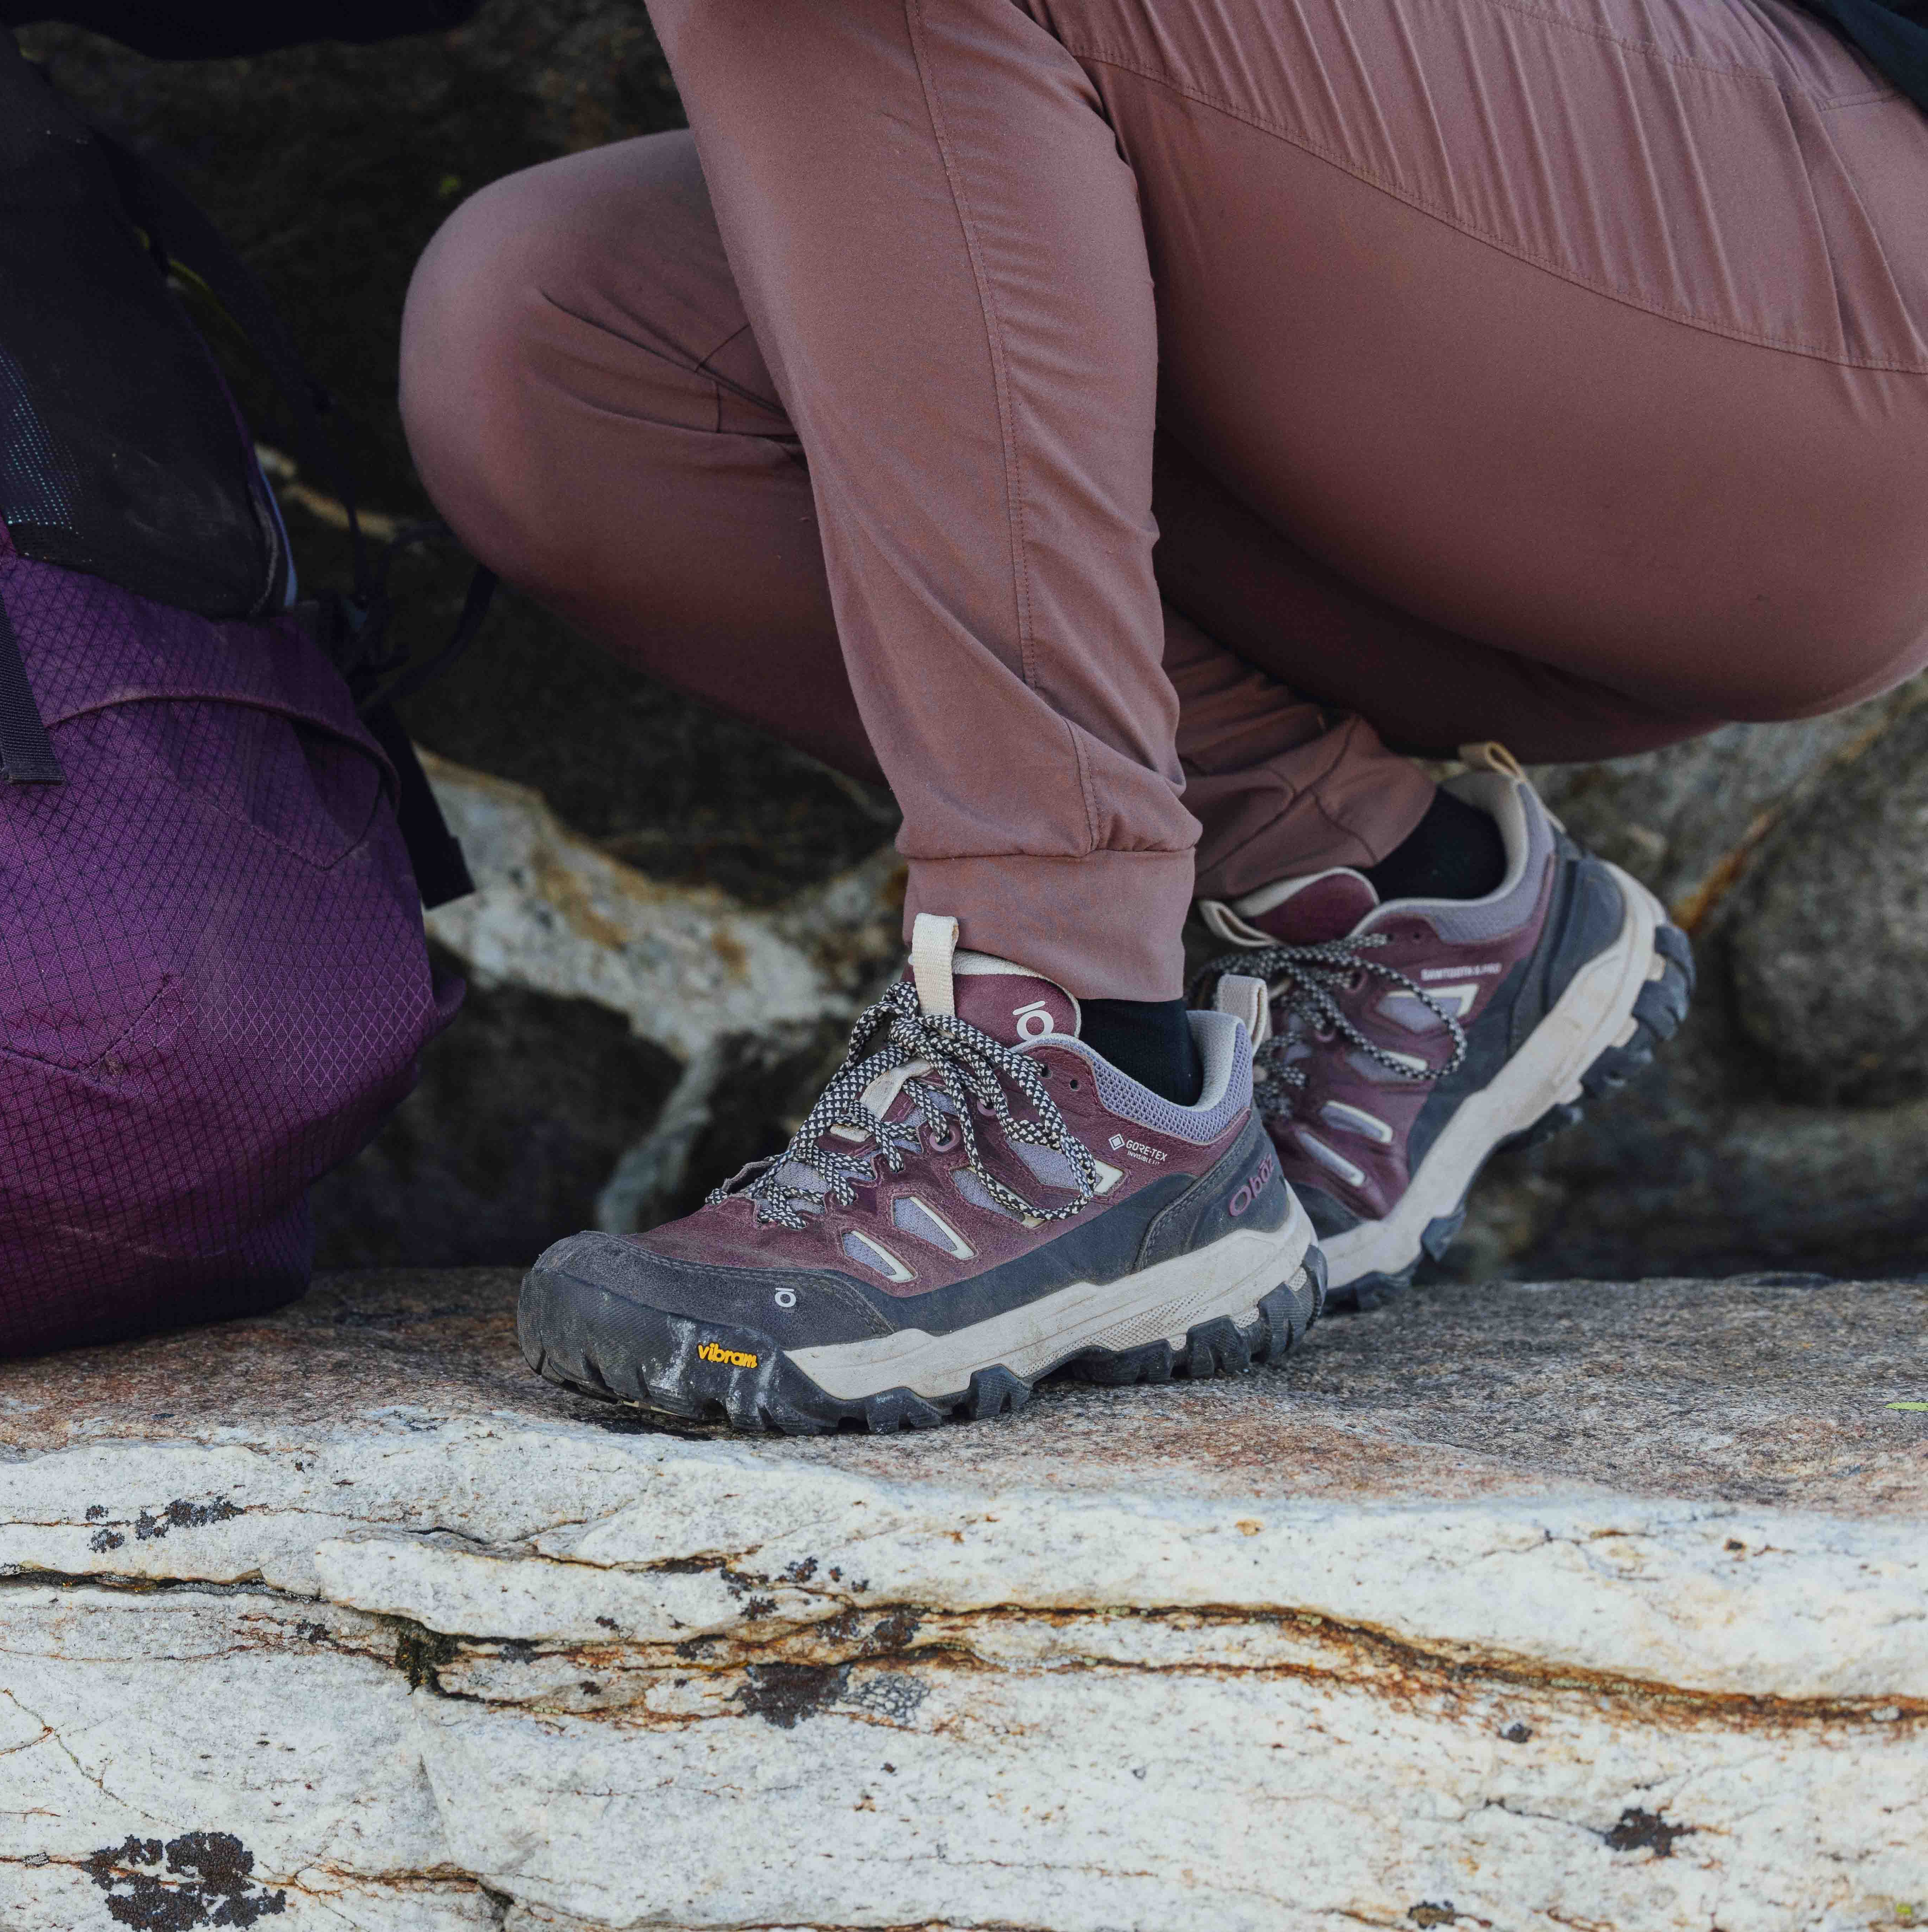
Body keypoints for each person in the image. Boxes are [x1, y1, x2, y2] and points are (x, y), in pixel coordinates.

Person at [401, 0, 1928, 1430]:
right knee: (547, 338)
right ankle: (1389, 885)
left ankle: (1063, 1060)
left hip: (1821, 297)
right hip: (1441, 359)